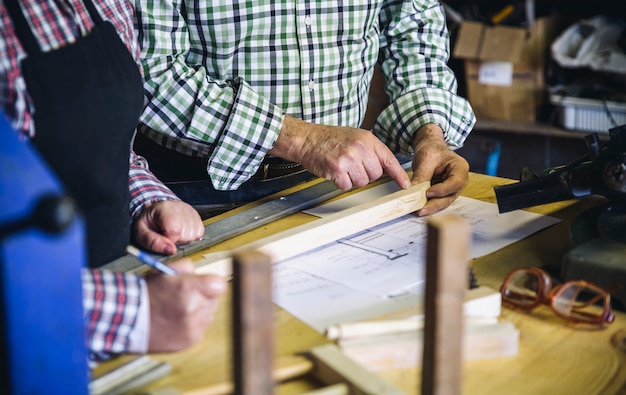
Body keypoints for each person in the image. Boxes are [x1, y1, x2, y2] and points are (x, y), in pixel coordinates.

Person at [0, 1, 226, 362]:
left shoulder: (107, 4)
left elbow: (102, 143)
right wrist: (134, 313)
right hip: (31, 349)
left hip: (115, 308)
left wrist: (144, 197)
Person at [132, 0, 476, 217]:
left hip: (337, 186)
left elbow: (412, 24)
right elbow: (147, 70)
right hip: (193, 190)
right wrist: (303, 140)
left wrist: (428, 133)